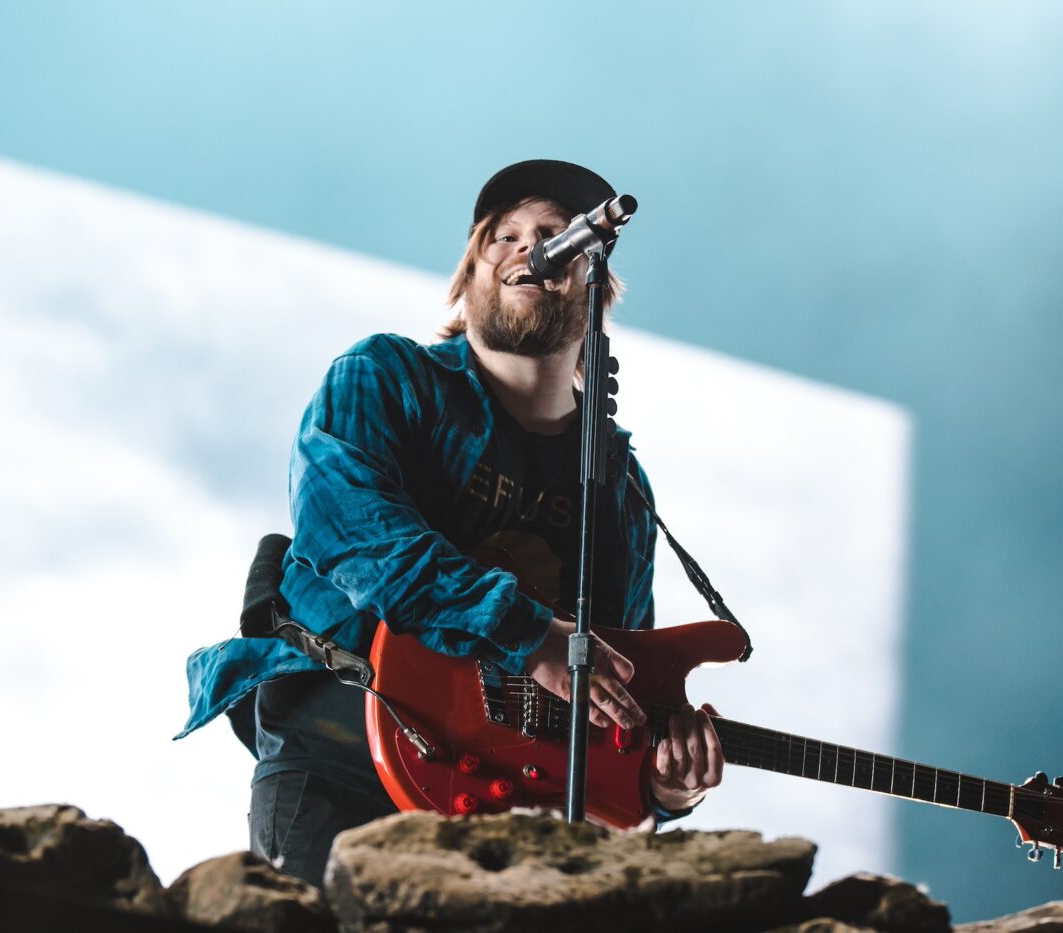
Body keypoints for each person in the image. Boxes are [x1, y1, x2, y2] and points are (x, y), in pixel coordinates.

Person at [177, 160, 724, 887]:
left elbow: (611, 702)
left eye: (556, 235)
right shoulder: (385, 377)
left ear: (595, 289)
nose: (531, 248)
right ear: (470, 276)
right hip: (340, 751)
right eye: (504, 236)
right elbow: (353, 534)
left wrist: (663, 787)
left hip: (503, 817)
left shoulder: (620, 491)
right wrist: (528, 632)